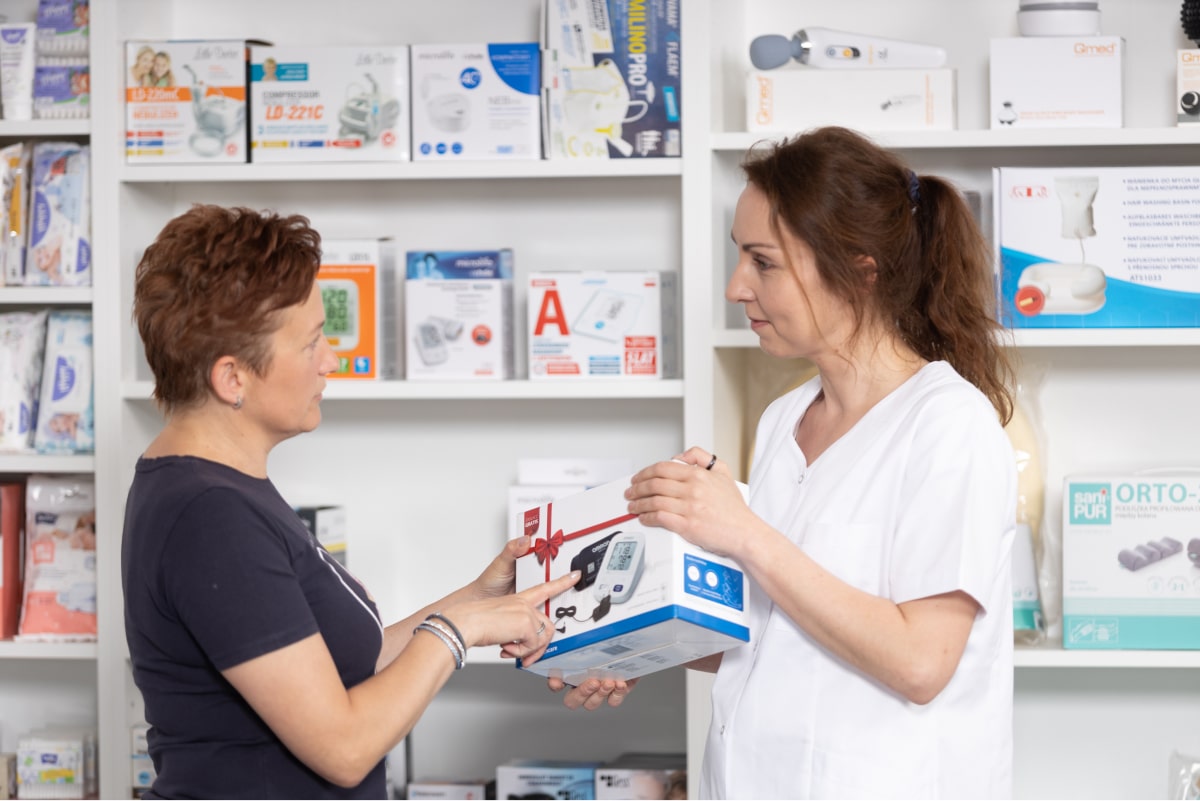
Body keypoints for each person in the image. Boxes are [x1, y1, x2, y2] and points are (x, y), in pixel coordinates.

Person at [593, 126, 1018, 797]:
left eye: (763, 263)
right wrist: (627, 645)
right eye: (740, 256)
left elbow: (920, 661)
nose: (736, 287)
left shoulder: (948, 425)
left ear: (860, 271)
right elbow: (770, 636)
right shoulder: (783, 420)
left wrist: (741, 531)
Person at [122, 204, 588, 799]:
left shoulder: (218, 489)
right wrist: (460, 630)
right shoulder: (211, 517)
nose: (331, 361)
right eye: (311, 343)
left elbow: (346, 666)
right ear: (232, 378)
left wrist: (479, 597)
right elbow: (343, 748)